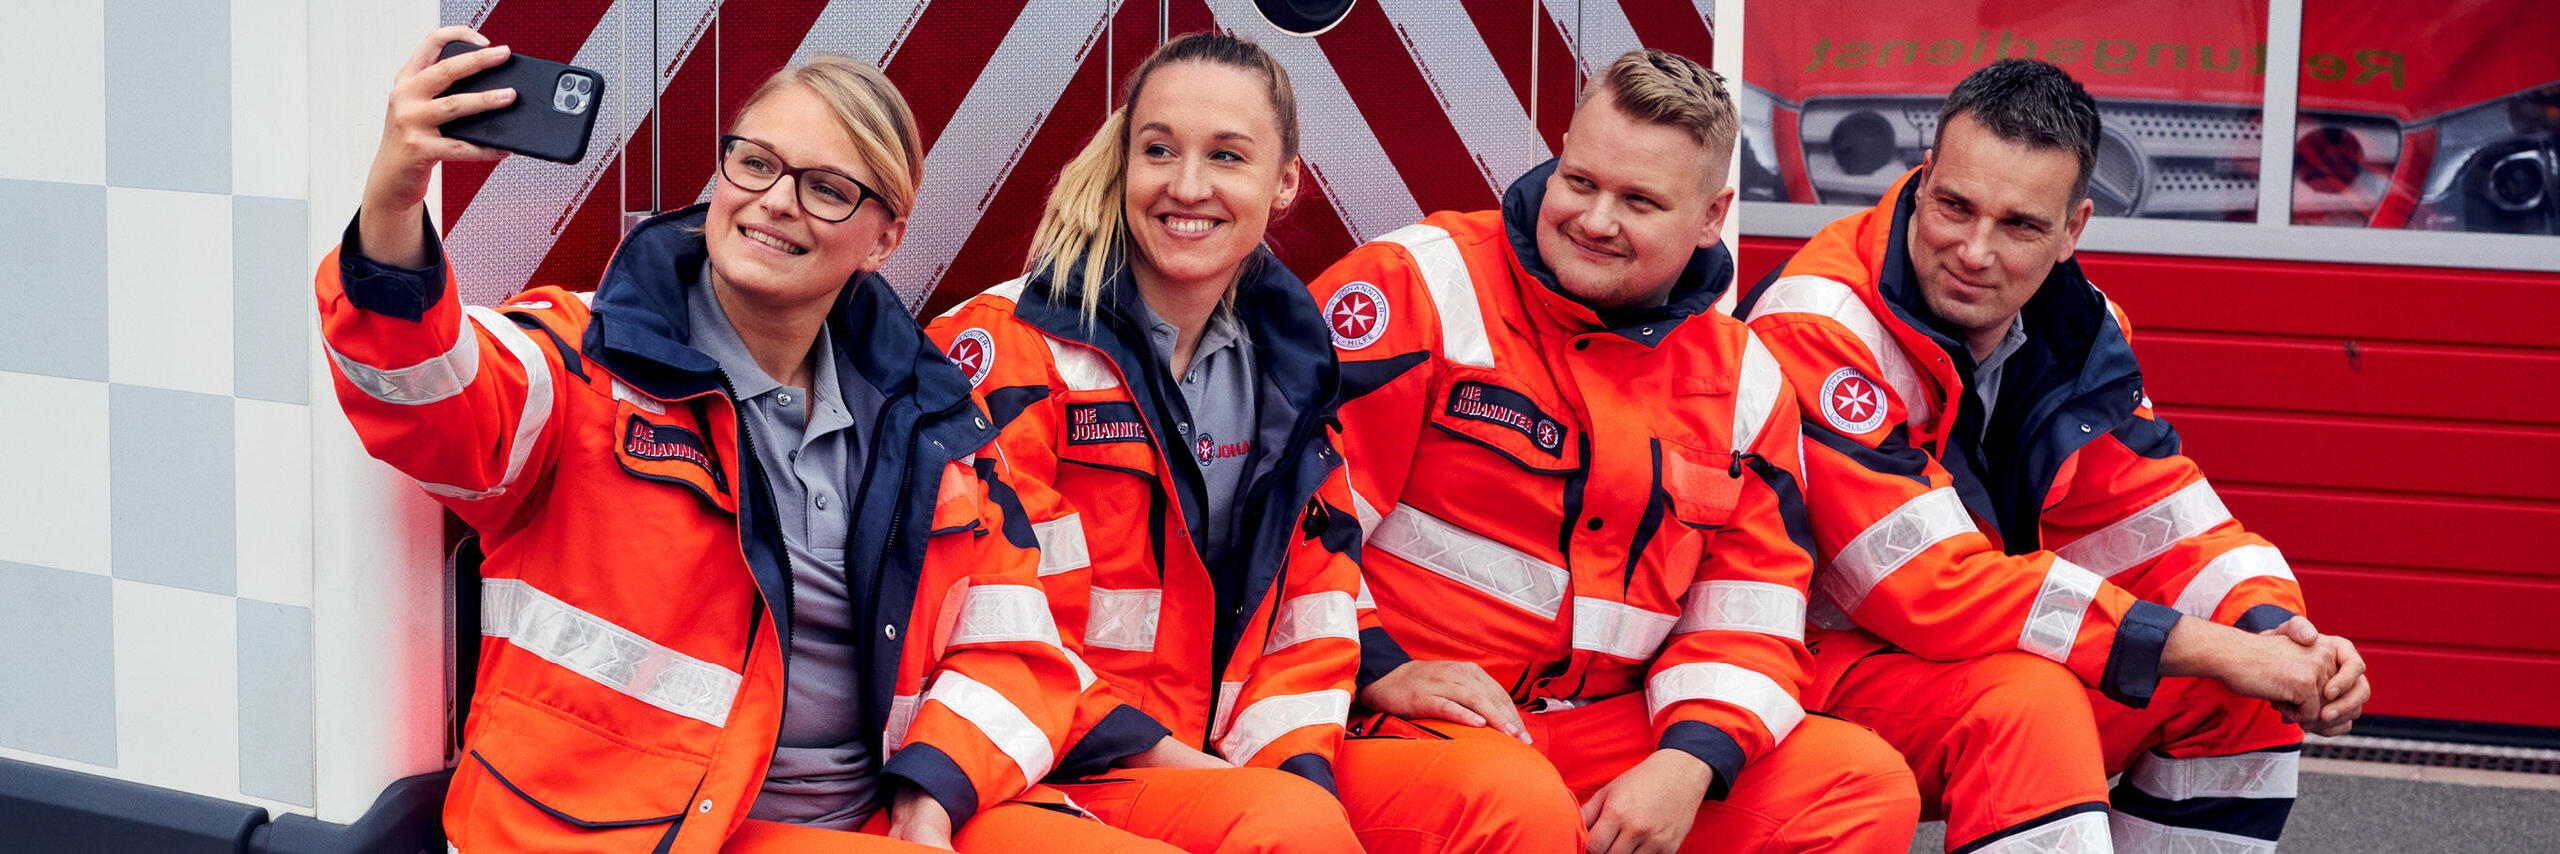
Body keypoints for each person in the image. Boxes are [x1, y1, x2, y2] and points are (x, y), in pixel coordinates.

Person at [318, 27, 1176, 852]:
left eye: (827, 188)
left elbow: (1013, 645)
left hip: (880, 816)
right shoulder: (586, 358)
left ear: (885, 238)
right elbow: (429, 397)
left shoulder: (931, 426)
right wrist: (395, 197)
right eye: (756, 163)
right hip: (641, 830)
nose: (775, 201)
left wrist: (934, 794)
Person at [928, 32, 1584, 852]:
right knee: (1291, 827)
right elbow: (988, 622)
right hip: (1045, 755)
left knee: (1511, 801)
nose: (1188, 186)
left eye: (1228, 156)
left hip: (1225, 746)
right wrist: (1219, 779)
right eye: (1158, 149)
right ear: (1123, 164)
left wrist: (1293, 766)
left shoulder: (1288, 364)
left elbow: (1311, 602)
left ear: (1285, 185)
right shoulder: (1011, 349)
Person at [1731, 58, 2371, 852]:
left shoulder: (2076, 331)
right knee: (2037, 699)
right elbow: (1924, 587)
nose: (1974, 249)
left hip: (1950, 667)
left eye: (2020, 225)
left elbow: (2170, 528)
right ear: (1922, 181)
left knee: (2236, 691)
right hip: (1801, 674)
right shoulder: (1820, 322)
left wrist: (2279, 636)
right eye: (1955, 207)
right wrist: (2211, 643)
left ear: (2074, 231)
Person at [1308, 49, 1922, 853]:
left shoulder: (1745, 381)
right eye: (1581, 181)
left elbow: (1753, 609)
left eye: (1639, 201)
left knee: (1859, 787)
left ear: (1711, 216)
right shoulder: (1420, 284)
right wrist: (1380, 667)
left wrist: (1686, 763)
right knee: (1517, 806)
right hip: (1393, 714)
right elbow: (1291, 510)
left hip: (1603, 730)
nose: (1596, 221)